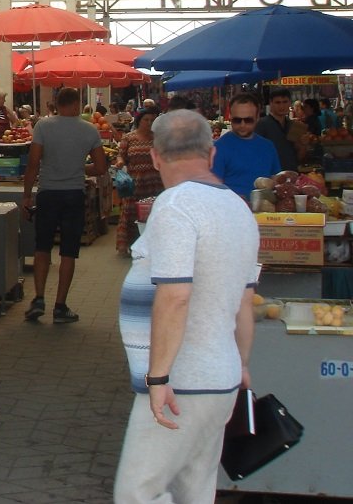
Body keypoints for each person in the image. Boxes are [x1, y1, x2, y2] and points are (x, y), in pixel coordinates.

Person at [113, 110, 259, 503]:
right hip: (219, 377)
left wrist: (158, 378)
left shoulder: (176, 206)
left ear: (157, 157)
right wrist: (241, 364)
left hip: (181, 382)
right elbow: (244, 302)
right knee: (194, 491)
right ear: (212, 154)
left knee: (136, 493)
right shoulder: (238, 208)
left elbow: (175, 296)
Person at [21, 87, 108, 323]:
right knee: (68, 251)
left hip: (48, 194)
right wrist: (79, 169)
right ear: (77, 105)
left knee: (42, 248)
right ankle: (60, 307)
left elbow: (33, 164)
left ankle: (38, 299)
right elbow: (101, 167)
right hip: (73, 195)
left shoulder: (43, 126)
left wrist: (27, 196)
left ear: (56, 104)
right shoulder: (89, 129)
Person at [114, 108, 165, 256]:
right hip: (134, 184)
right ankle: (127, 245)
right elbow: (120, 156)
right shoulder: (129, 138)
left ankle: (152, 246)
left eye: (152, 120)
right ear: (139, 121)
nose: (149, 123)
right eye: (146, 120)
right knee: (130, 213)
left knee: (152, 215)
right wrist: (120, 162)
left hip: (154, 184)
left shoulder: (158, 139)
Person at [212, 93, 281, 201]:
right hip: (232, 212)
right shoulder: (219, 148)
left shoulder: (268, 146)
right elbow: (213, 188)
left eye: (248, 120)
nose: (242, 125)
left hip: (265, 213)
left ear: (257, 118)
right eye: (237, 120)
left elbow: (276, 180)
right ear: (230, 117)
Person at [256, 89, 306, 171]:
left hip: (291, 174)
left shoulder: (295, 125)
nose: (282, 106)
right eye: (278, 102)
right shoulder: (261, 124)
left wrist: (303, 145)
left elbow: (299, 157)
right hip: (270, 175)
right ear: (271, 103)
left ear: (290, 103)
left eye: (285, 102)